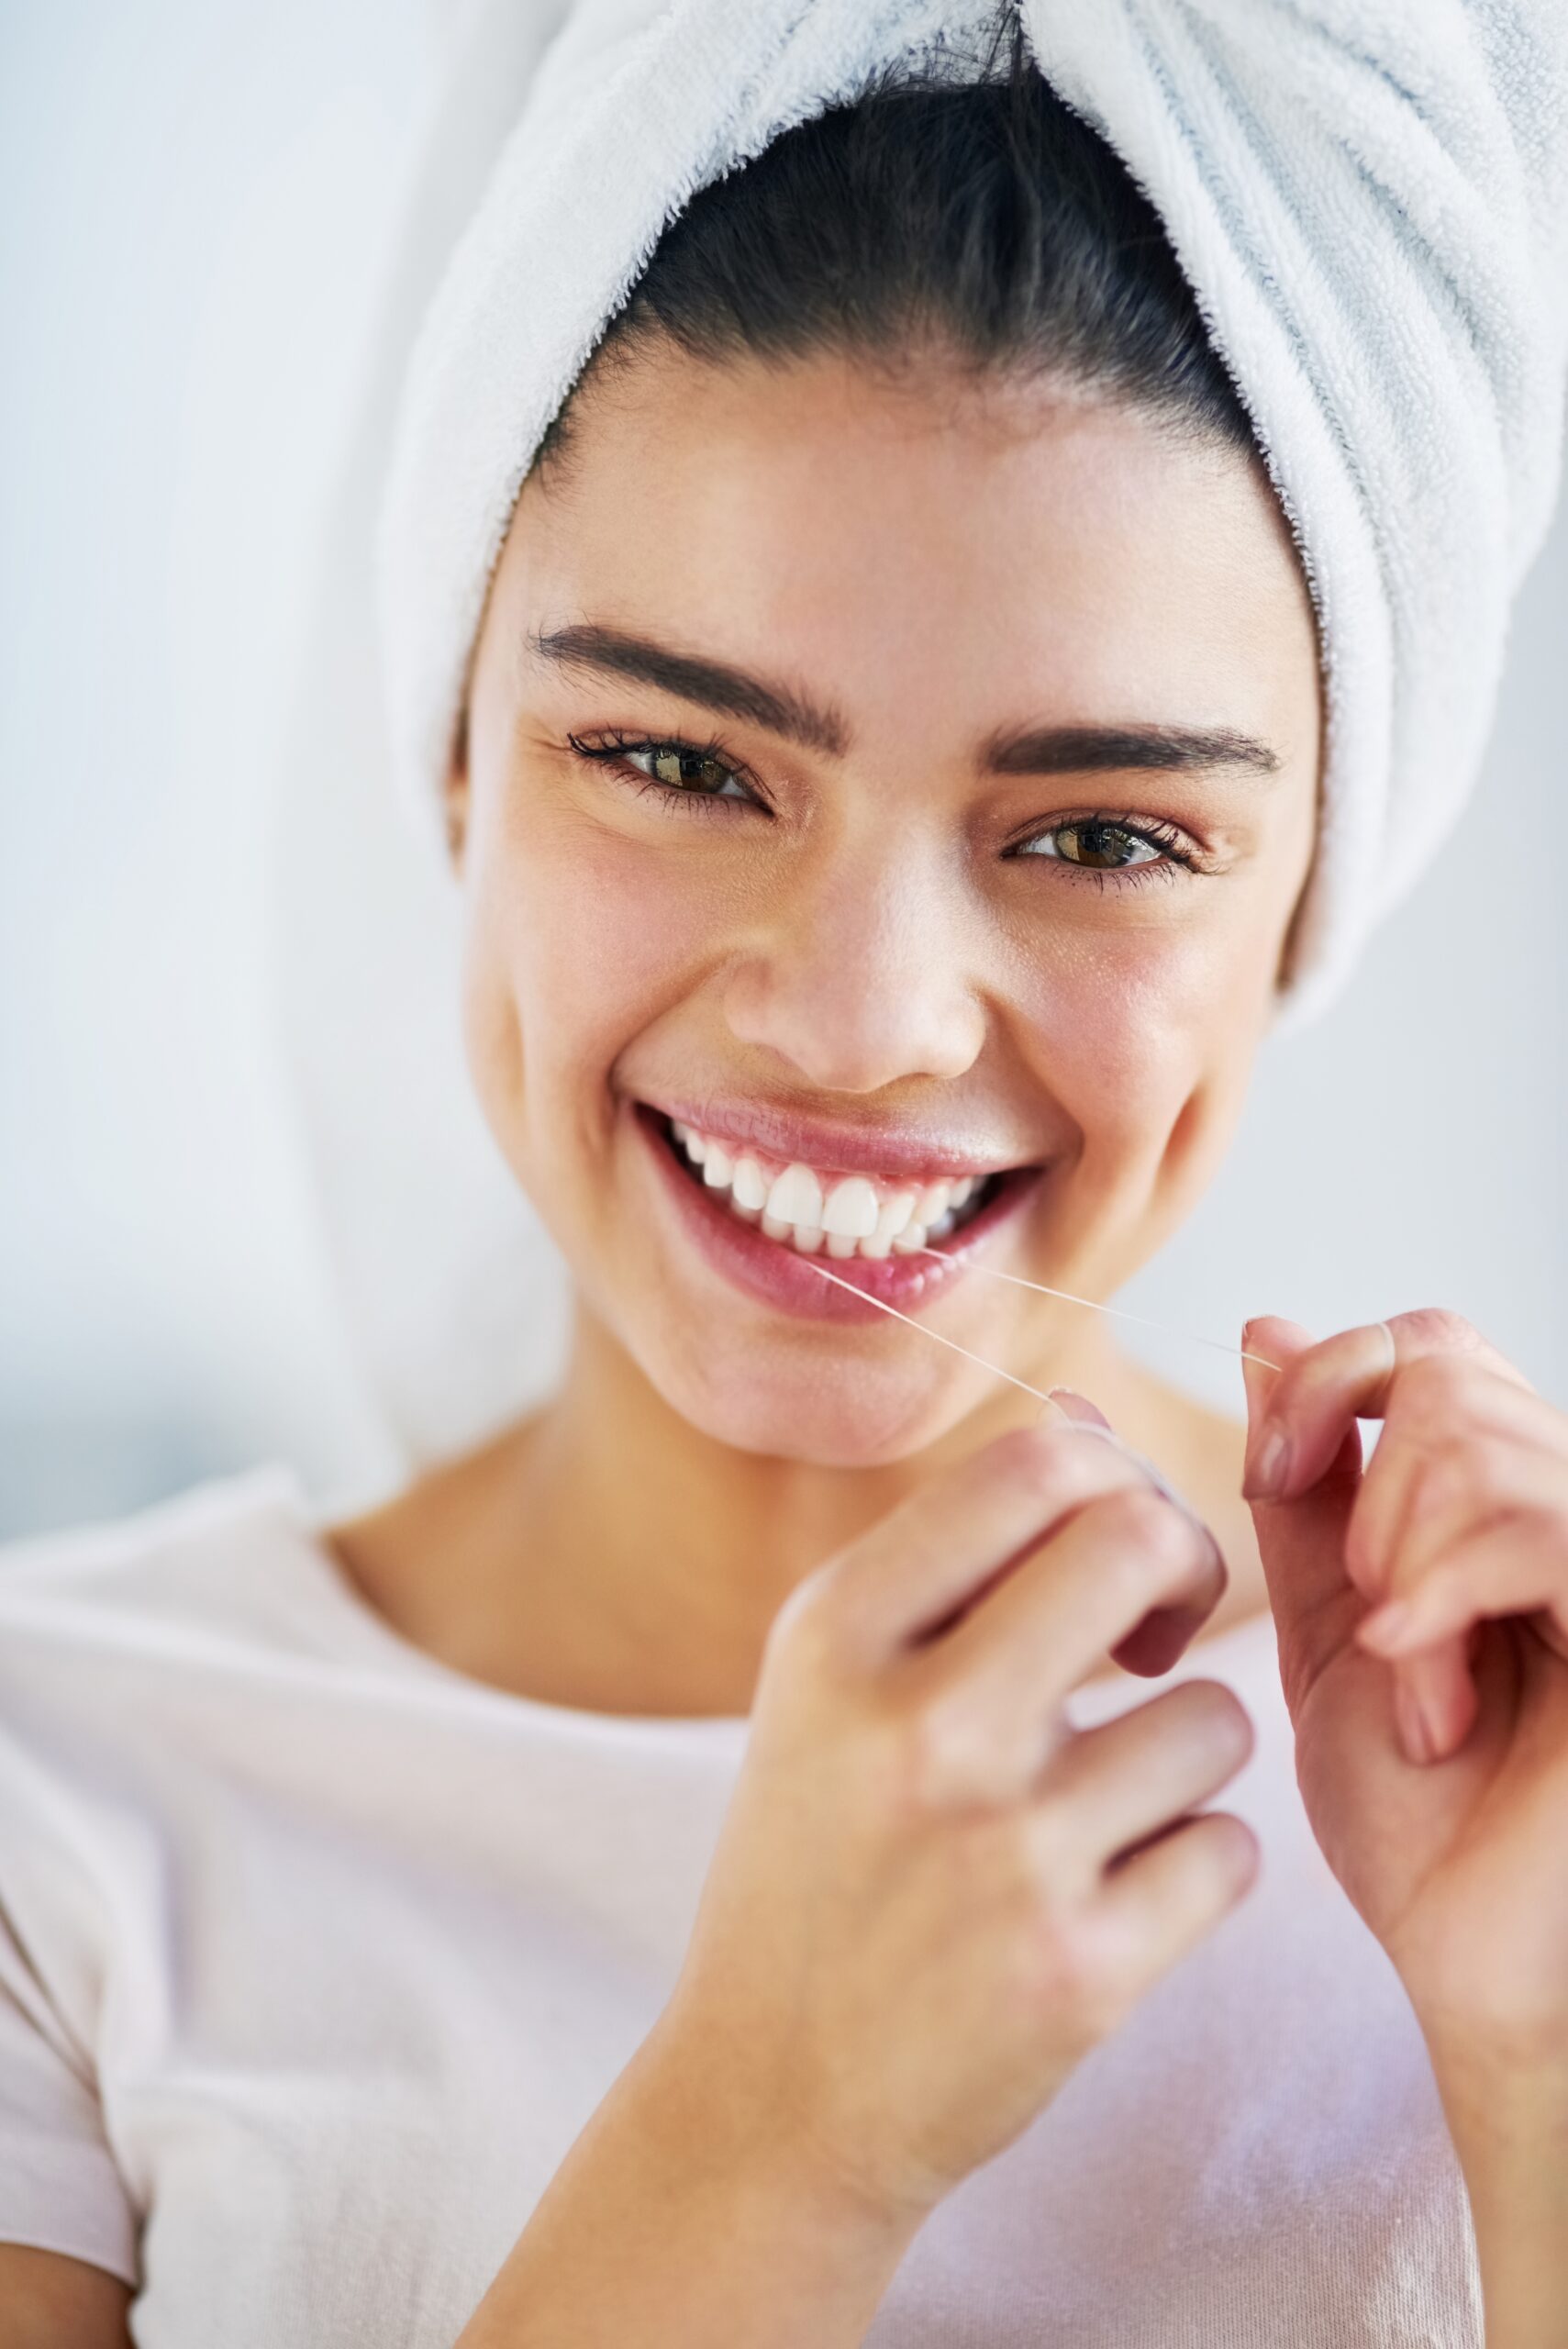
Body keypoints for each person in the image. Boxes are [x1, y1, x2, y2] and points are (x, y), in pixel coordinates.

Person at [3, 16, 1567, 2348]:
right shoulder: (57, 1790)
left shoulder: (1506, 1802)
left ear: (1303, 905)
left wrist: (1537, 2075)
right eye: (672, 756)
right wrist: (771, 2143)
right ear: (453, 763)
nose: (857, 1021)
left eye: (1109, 834)